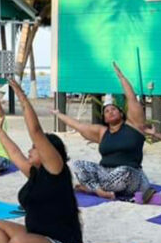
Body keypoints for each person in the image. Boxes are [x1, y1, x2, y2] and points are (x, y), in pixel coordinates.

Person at [0, 79, 84, 243]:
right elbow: (14, 153)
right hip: (39, 237)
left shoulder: (57, 170)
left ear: (48, 152)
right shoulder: (35, 173)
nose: (30, 150)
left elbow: (35, 131)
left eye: (35, 147)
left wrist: (23, 98)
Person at [53, 61, 150, 200]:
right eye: (107, 111)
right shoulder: (102, 132)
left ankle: (93, 188)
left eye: (113, 109)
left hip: (131, 174)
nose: (110, 112)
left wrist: (121, 77)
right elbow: (78, 125)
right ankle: (99, 190)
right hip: (105, 172)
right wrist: (58, 114)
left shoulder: (134, 125)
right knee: (78, 165)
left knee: (124, 171)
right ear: (104, 118)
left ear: (121, 113)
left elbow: (132, 99)